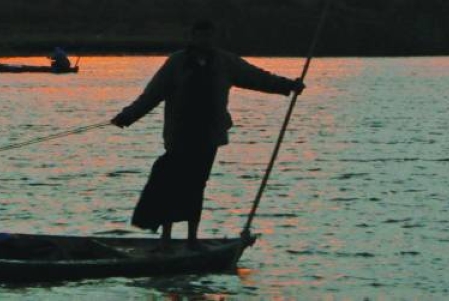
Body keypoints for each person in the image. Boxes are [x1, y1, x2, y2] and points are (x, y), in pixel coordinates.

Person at [110, 19, 304, 248]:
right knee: (170, 184)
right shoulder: (176, 63)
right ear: (192, 37)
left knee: (196, 186)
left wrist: (288, 85)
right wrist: (127, 116)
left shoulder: (224, 62)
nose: (204, 40)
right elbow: (152, 95)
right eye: (200, 36)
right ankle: (166, 240)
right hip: (179, 135)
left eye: (208, 36)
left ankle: (192, 239)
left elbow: (257, 77)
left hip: (208, 136)